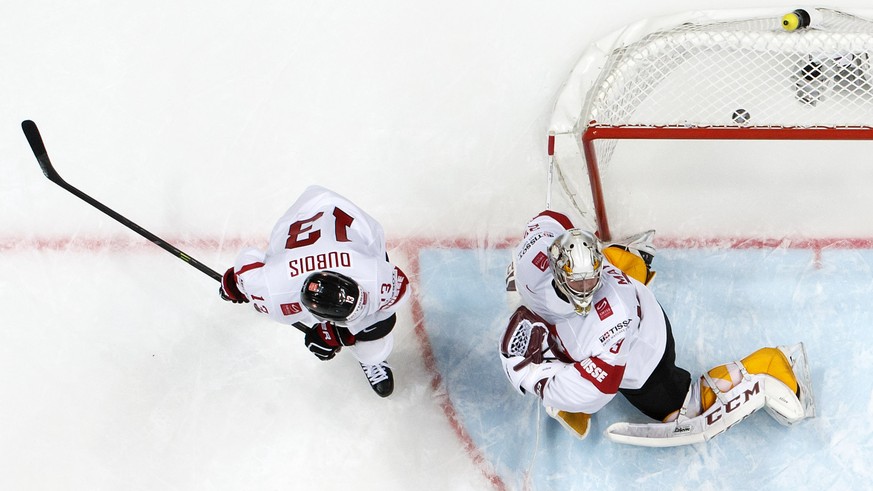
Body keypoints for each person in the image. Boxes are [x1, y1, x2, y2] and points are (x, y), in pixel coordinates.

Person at [500, 210, 813, 444]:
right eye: (578, 278)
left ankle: (769, 365)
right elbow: (551, 219)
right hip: (633, 301)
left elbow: (597, 391)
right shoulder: (537, 251)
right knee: (577, 321)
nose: (588, 286)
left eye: (592, 276)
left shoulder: (614, 319)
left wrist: (533, 377)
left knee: (683, 411)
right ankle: (628, 260)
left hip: (646, 355)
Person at [219, 185, 409, 398]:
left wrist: (340, 335)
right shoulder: (275, 293)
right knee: (371, 342)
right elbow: (247, 267)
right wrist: (239, 285)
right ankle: (364, 350)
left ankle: (369, 359)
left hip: (355, 225)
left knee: (372, 350)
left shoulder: (374, 276)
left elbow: (385, 318)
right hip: (298, 222)